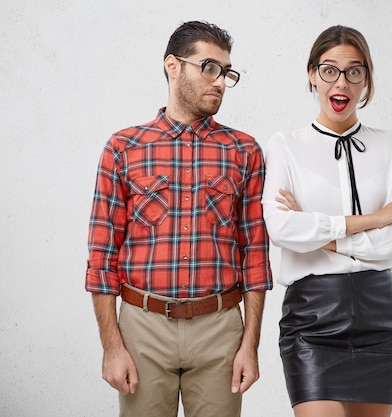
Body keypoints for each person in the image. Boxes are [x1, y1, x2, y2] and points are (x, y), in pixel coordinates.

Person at [85, 21, 273, 417]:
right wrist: (112, 348)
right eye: (209, 67)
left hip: (220, 328)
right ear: (173, 66)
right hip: (143, 327)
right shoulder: (124, 148)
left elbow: (255, 256)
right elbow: (102, 259)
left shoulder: (245, 151)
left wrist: (249, 346)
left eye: (226, 72)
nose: (220, 82)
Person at [261, 25, 392, 417]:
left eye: (355, 71)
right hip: (311, 315)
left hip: (379, 311)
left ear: (366, 79)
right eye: (330, 70)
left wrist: (325, 237)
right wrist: (373, 219)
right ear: (312, 74)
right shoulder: (285, 146)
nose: (342, 82)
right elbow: (281, 228)